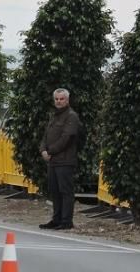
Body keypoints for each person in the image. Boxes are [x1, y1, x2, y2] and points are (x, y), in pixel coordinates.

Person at [39, 87, 81, 230]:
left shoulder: (71, 116)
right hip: (53, 161)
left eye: (61, 99)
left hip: (65, 160)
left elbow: (67, 138)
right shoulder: (54, 116)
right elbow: (45, 135)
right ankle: (56, 219)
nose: (59, 101)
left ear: (67, 100)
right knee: (55, 191)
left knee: (65, 191)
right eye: (56, 99)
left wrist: (50, 151)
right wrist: (43, 149)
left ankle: (66, 221)